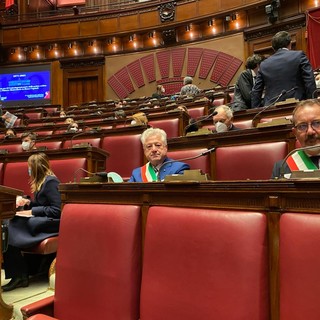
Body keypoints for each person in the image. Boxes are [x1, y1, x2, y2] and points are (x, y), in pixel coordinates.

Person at [2, 153, 61, 291]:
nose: (28, 170)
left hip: (52, 223)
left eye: (29, 167)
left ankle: (20, 276)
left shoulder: (51, 181)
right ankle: (19, 275)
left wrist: (32, 212)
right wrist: (28, 202)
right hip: (44, 219)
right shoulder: (42, 181)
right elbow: (42, 204)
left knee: (11, 225)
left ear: (36, 168)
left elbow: (57, 210)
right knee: (8, 224)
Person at [251, 31, 316, 108]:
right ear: (290, 44)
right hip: (297, 105)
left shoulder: (264, 64)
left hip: (271, 108)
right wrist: (311, 104)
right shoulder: (299, 56)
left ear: (273, 48)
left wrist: (256, 112)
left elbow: (256, 91)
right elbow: (309, 81)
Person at [271, 99, 320, 178]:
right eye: (302, 126)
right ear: (295, 133)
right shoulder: (282, 168)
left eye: (317, 123)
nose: (310, 132)